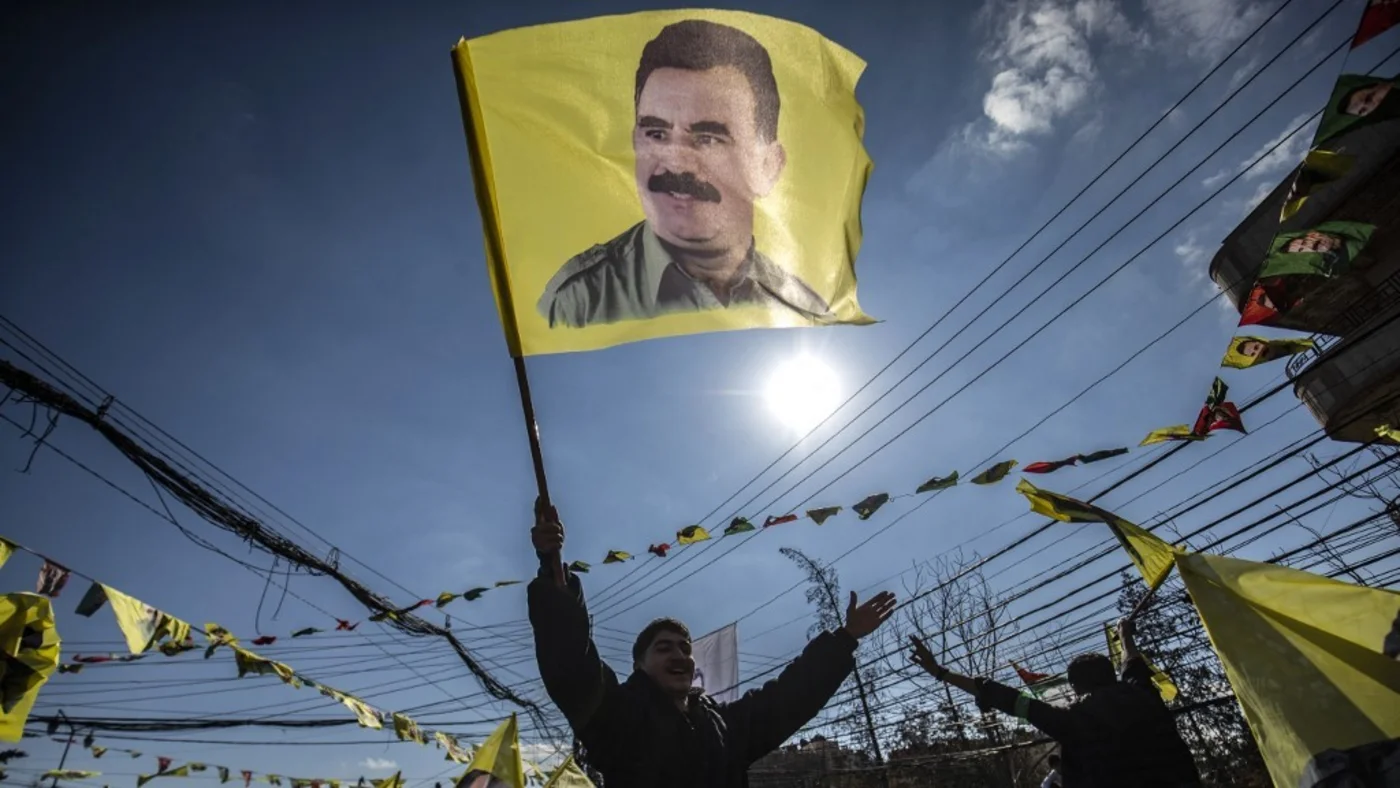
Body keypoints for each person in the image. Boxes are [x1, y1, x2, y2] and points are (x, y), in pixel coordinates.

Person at [528, 502, 896, 787]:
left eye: (685, 648)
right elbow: (571, 659)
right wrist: (552, 570)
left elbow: (789, 697)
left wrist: (844, 639)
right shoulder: (615, 715)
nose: (680, 656)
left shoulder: (723, 726)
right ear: (638, 664)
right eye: (664, 648)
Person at [537, 19, 833, 329]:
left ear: (767, 167)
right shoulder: (578, 303)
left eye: (708, 139)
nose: (676, 165)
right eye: (656, 134)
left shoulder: (803, 314)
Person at [909, 619, 1200, 787]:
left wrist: (940, 672)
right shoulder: (1144, 695)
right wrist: (1125, 634)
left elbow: (1005, 697)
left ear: (1076, 687)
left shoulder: (1072, 720)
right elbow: (1132, 662)